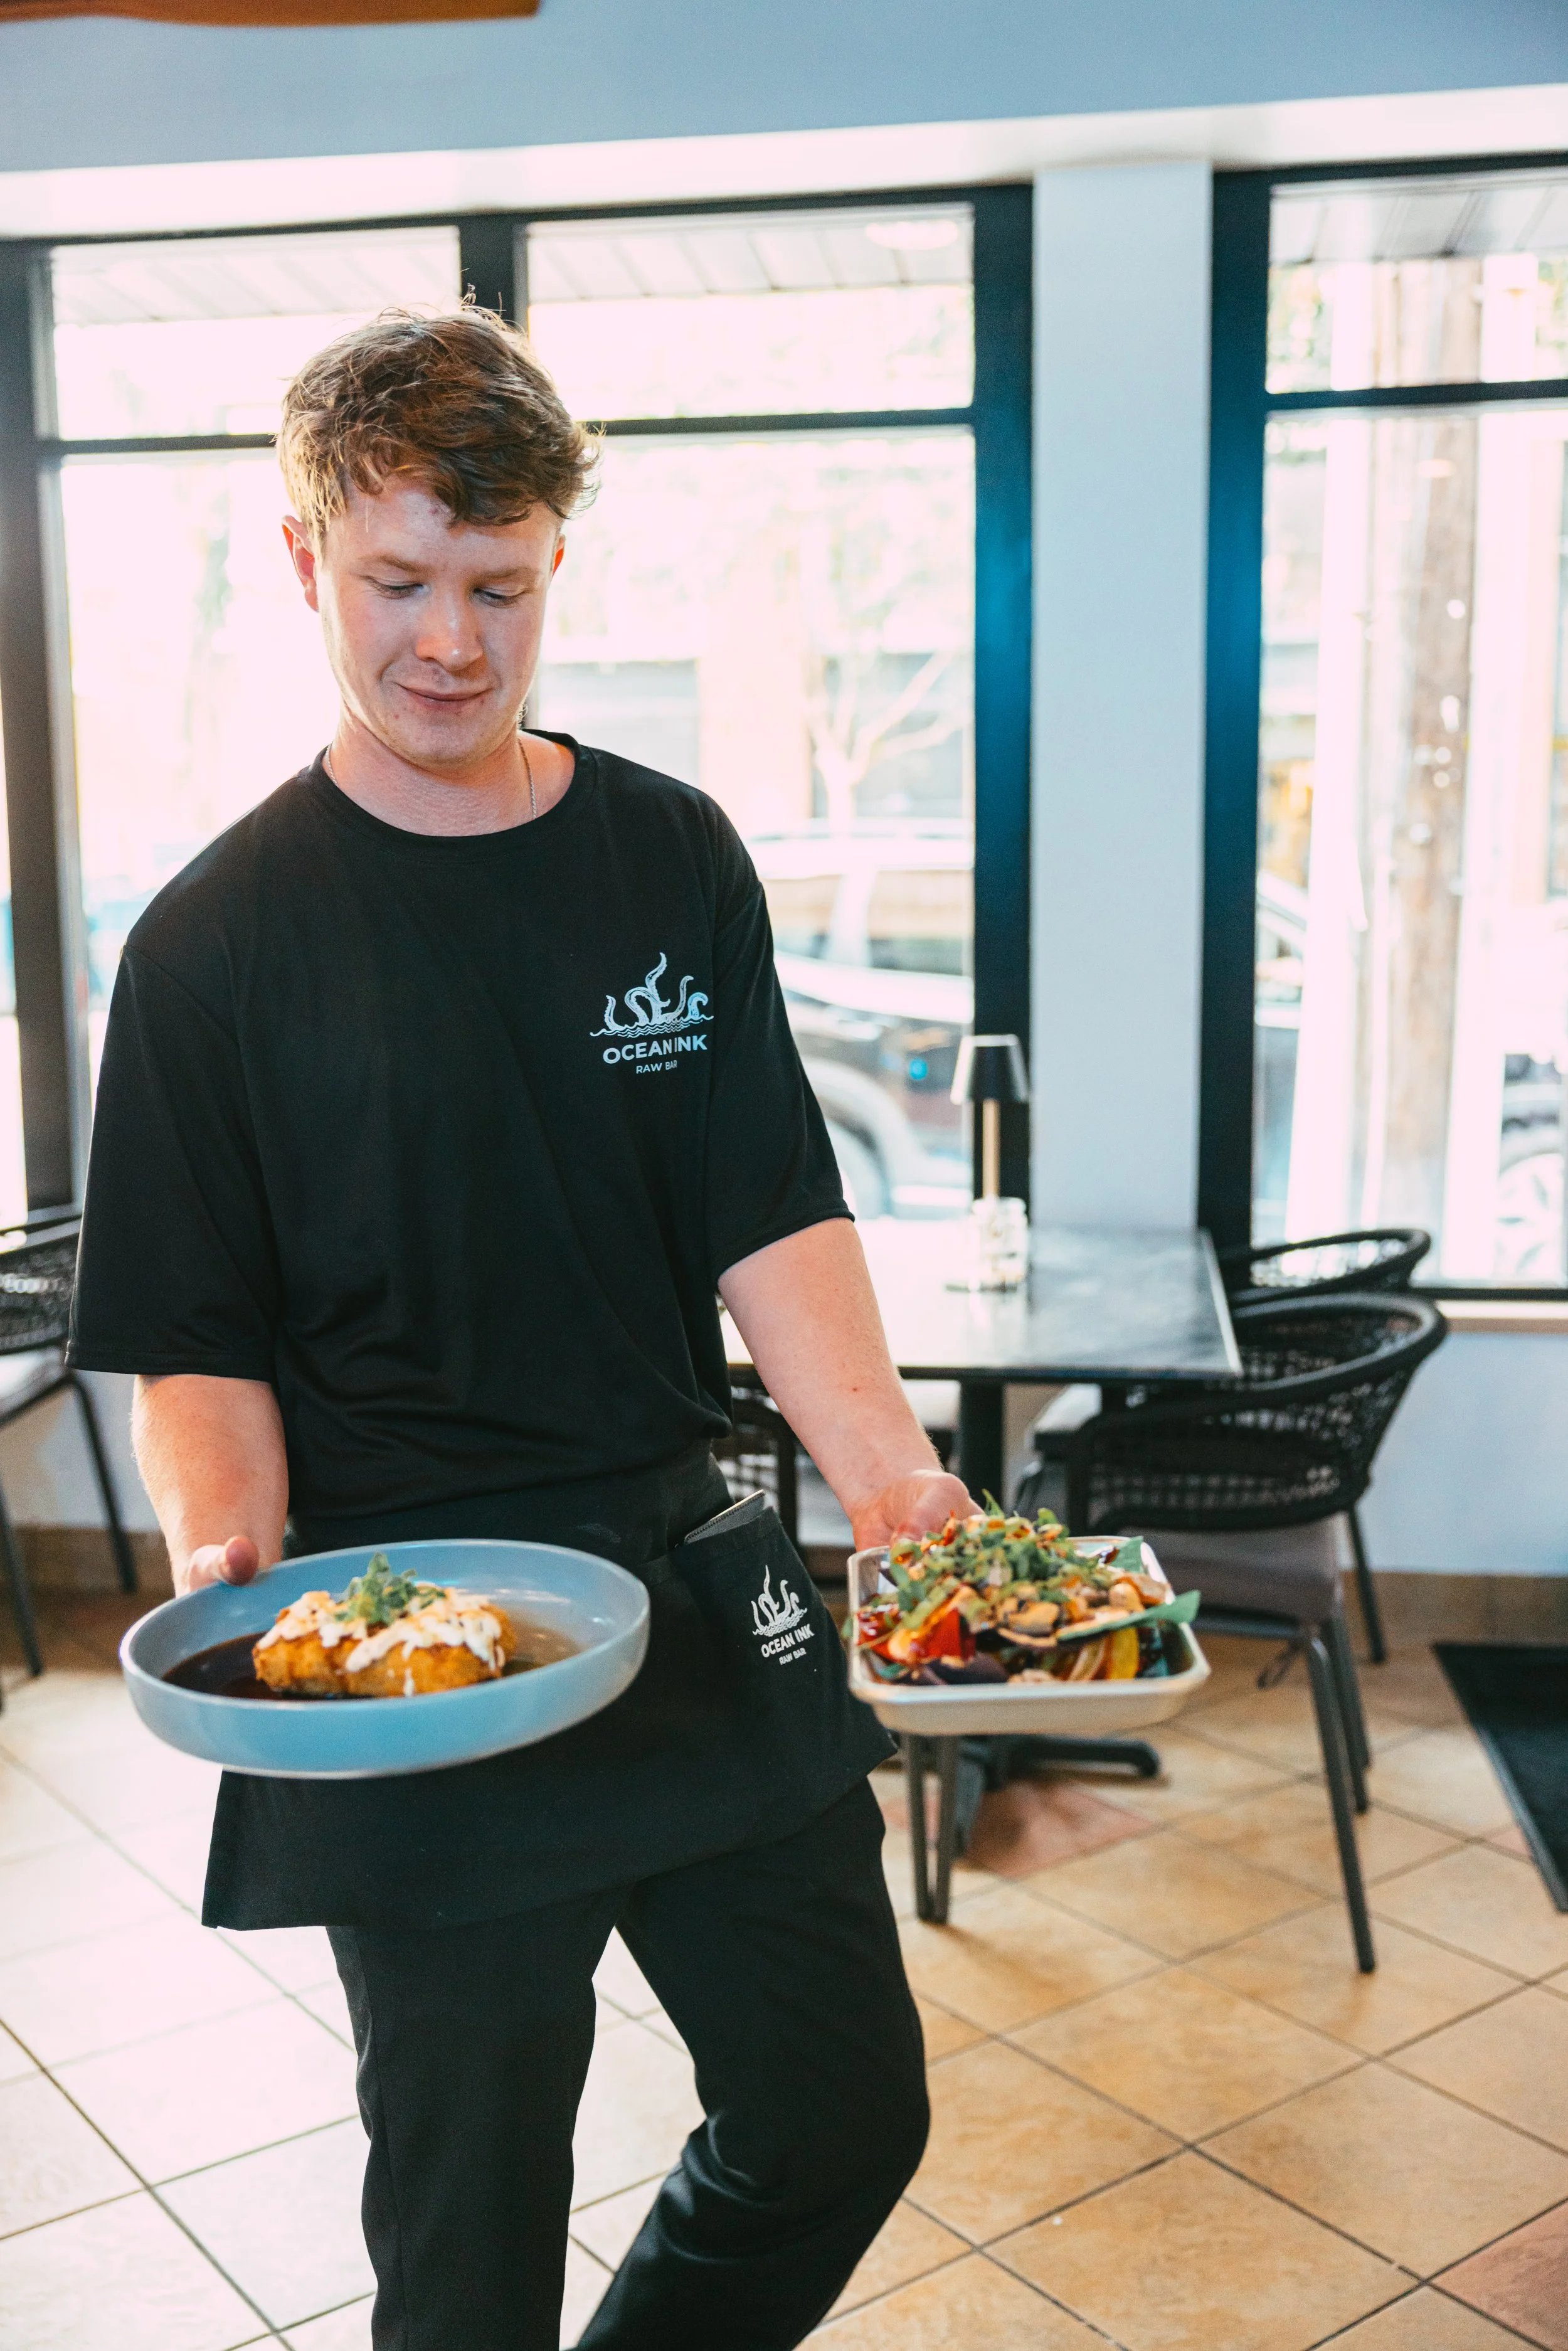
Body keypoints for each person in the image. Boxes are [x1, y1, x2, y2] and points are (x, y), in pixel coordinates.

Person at [67, 306, 973, 2351]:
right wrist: (229, 1557)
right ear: (307, 559)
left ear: (556, 558)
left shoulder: (667, 853)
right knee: (468, 2230)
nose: (452, 643)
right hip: (417, 1644)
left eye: (501, 586)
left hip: (688, 1568)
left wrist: (889, 1469)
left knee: (840, 2108)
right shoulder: (213, 948)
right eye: (400, 584)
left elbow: (768, 1206)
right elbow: (191, 1336)